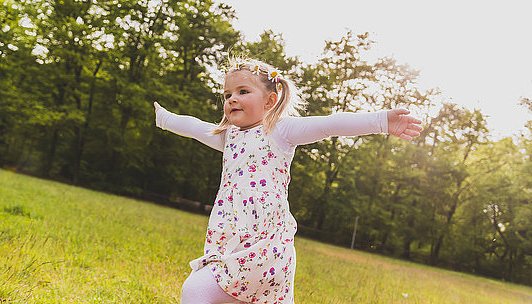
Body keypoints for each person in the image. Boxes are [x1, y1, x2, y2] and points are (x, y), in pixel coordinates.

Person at [154, 56, 423, 304]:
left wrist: (381, 122)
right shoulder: (229, 137)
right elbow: (193, 126)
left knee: (196, 289)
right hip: (232, 244)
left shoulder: (279, 131)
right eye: (227, 95)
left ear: (270, 101)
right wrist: (165, 119)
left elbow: (329, 124)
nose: (232, 99)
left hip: (266, 247)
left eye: (242, 92)